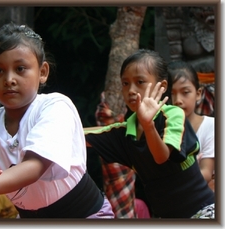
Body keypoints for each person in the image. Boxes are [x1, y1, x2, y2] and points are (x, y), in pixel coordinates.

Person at [0, 22, 114, 218]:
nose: (9, 79)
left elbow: (34, 166)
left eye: (20, 68)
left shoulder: (55, 107)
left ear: (42, 72)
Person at [84, 49, 214, 218]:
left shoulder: (173, 114)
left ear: (162, 86)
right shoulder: (125, 132)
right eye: (125, 83)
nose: (131, 90)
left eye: (140, 82)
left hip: (203, 212)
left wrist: (148, 125)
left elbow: (161, 157)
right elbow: (81, 135)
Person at [168, 60, 215, 185]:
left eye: (185, 92)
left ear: (198, 94)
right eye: (171, 93)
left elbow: (206, 172)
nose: (178, 100)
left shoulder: (211, 126)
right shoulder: (161, 129)